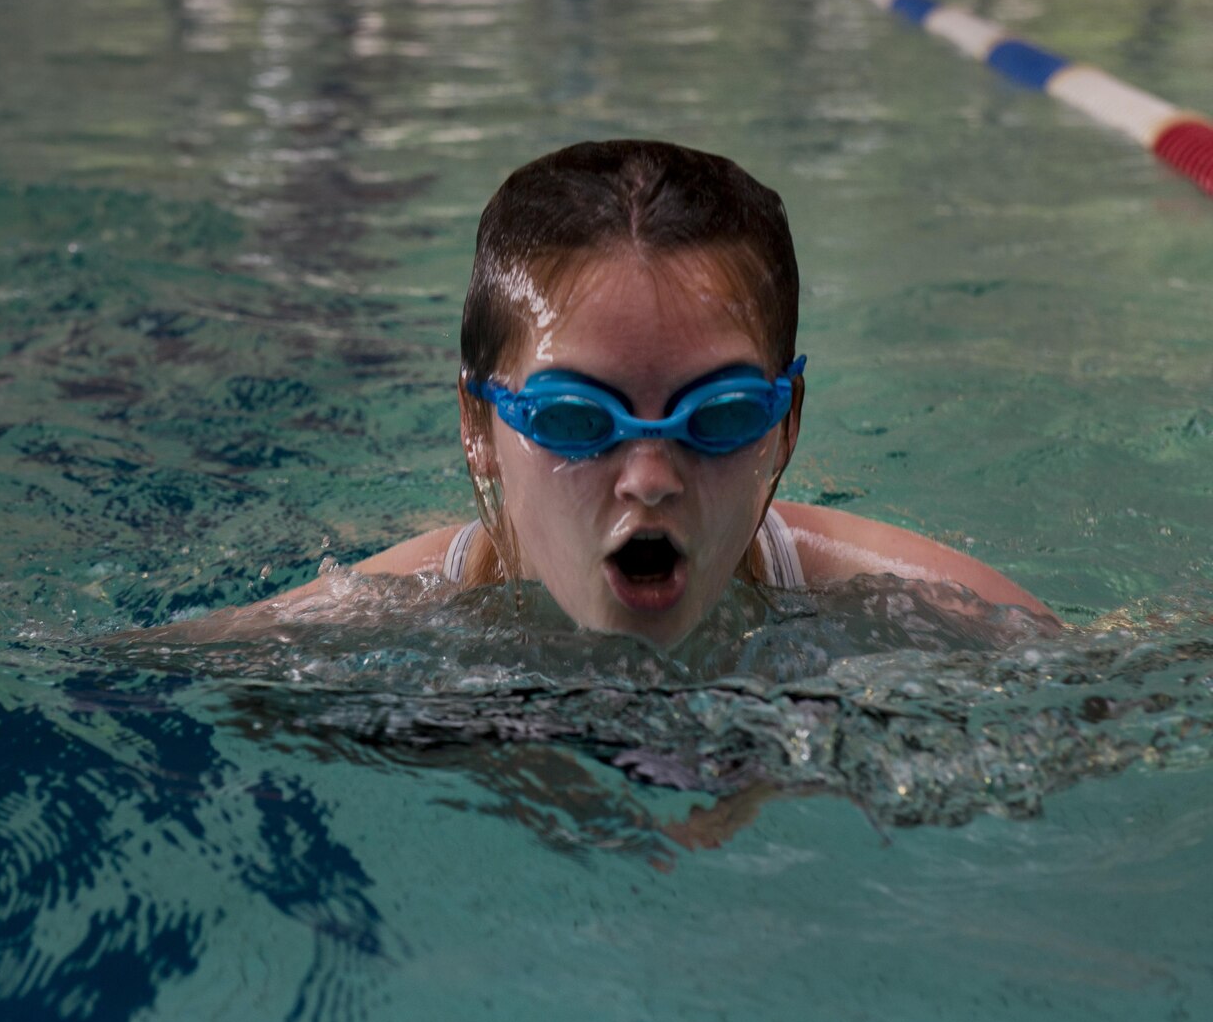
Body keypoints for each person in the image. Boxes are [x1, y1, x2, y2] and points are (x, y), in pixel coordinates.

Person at [207, 140, 1055, 648]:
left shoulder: (925, 609)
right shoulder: (349, 627)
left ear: (784, 428)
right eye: (576, 419)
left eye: (719, 417)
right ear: (479, 427)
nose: (650, 476)